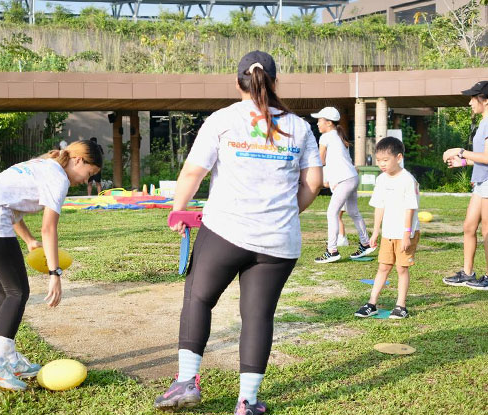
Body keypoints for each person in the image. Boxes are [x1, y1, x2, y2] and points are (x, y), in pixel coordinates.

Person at [154, 51, 323, 415]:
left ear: (237, 83)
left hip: (224, 232)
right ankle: (246, 402)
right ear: (275, 82)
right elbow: (313, 183)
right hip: (279, 242)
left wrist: (178, 210)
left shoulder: (223, 120)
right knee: (258, 316)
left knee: (198, 300)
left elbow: (192, 173)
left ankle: (186, 382)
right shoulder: (299, 126)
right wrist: (287, 212)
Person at [0, 140, 102, 391]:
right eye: (89, 174)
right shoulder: (59, 178)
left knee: (5, 291)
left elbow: (10, 204)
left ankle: (7, 358)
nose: (85, 181)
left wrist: (29, 241)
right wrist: (54, 273)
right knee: (17, 292)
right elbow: (49, 227)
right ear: (79, 161)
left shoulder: (42, 165)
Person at [354, 137, 420, 319]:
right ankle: (372, 303)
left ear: (398, 157)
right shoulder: (381, 179)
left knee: (401, 268)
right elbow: (379, 206)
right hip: (388, 233)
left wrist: (407, 234)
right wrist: (375, 231)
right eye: (378, 160)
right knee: (383, 266)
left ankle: (401, 306)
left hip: (405, 232)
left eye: (385, 160)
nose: (381, 164)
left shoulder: (407, 179)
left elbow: (410, 208)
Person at [442, 80, 488, 290]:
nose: (470, 103)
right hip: (481, 181)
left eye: (473, 97)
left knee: (487, 231)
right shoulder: (483, 123)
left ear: (485, 100)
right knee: (469, 226)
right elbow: (481, 158)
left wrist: (460, 151)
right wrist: (463, 161)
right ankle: (467, 273)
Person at [313, 107, 374, 263]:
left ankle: (332, 251)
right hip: (352, 178)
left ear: (328, 122)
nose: (318, 123)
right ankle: (366, 243)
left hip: (345, 180)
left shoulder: (325, 137)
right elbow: (338, 162)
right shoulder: (339, 136)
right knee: (353, 212)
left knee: (331, 213)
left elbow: (321, 161)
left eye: (320, 120)